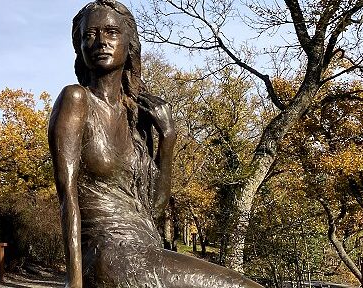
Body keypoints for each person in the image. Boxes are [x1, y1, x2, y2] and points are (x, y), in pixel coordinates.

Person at [48, 1, 262, 287]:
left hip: (145, 248)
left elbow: (156, 209)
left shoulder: (136, 116)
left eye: (111, 32)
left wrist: (169, 138)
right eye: (90, 35)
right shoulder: (76, 100)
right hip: (109, 254)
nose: (101, 42)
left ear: (129, 44)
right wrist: (74, 282)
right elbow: (68, 194)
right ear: (80, 47)